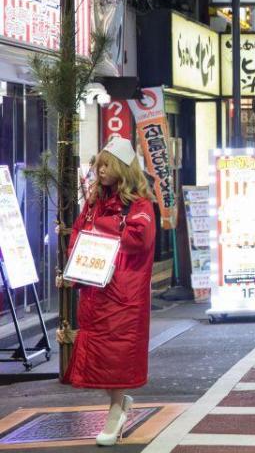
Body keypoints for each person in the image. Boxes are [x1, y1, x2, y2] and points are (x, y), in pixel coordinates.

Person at [62, 138, 156, 447]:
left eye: (106, 164)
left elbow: (139, 240)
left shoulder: (139, 204)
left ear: (121, 168)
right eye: (99, 164)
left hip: (123, 295)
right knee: (104, 357)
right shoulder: (94, 202)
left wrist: (100, 228)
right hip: (96, 292)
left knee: (116, 358)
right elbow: (78, 233)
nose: (100, 170)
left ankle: (115, 412)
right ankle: (118, 405)